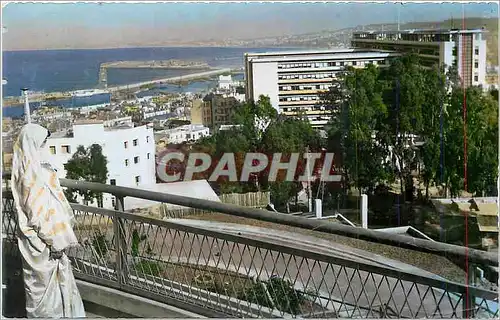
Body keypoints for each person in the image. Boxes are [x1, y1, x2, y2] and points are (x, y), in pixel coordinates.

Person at [10, 123, 86, 318]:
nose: (45, 147)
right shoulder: (33, 176)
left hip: (35, 240)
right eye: (43, 143)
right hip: (43, 242)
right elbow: (38, 213)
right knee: (47, 292)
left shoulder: (25, 170)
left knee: (41, 288)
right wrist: (52, 242)